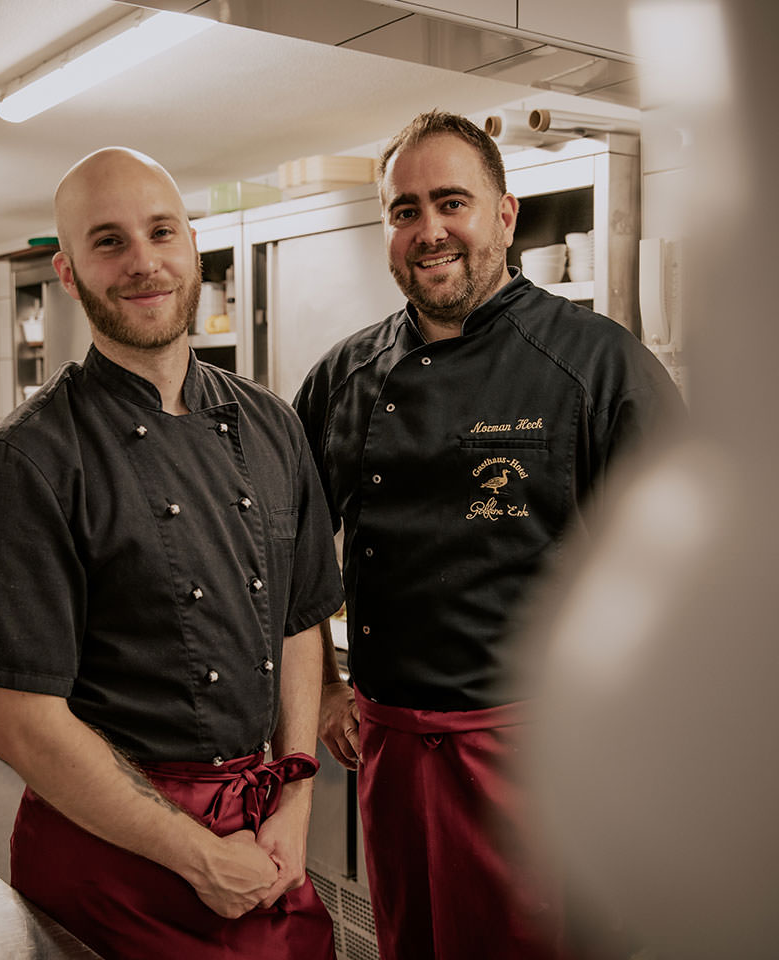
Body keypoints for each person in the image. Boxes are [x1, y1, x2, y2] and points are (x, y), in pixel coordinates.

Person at [292, 111, 686, 959]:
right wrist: (326, 686)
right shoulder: (342, 377)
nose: (428, 231)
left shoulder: (597, 364)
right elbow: (291, 552)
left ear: (504, 216)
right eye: (404, 212)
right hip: (391, 751)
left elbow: (683, 579)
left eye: (451, 203)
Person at [0, 147, 344, 960]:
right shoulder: (29, 460)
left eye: (161, 231)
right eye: (109, 241)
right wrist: (198, 856)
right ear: (68, 270)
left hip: (260, 836)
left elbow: (301, 620)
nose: (143, 262)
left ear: (193, 244)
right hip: (110, 858)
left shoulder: (272, 424)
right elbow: (23, 726)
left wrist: (295, 797)